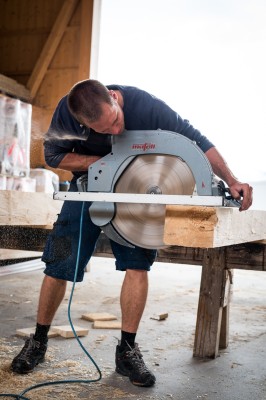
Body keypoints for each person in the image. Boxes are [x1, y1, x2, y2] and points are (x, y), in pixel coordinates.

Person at [11, 80, 253, 387]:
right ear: (83, 123)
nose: (114, 132)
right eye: (103, 130)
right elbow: (54, 157)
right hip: (89, 186)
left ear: (114, 98)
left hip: (137, 187)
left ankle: (127, 352)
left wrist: (231, 180)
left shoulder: (145, 106)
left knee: (137, 266)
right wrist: (101, 163)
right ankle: (38, 341)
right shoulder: (68, 112)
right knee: (59, 264)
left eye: (115, 122)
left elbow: (197, 142)